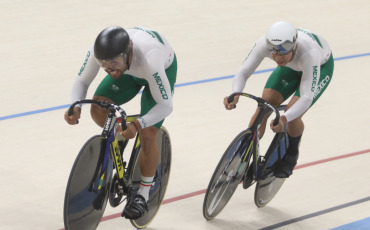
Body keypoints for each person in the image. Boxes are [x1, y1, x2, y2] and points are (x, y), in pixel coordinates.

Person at [64, 26, 177, 219]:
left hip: (159, 70)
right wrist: (75, 106)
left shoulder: (150, 59)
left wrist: (138, 124)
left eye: (113, 63)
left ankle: (142, 194)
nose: (109, 69)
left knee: (148, 133)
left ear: (128, 51)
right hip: (130, 69)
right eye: (103, 64)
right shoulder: (100, 52)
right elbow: (82, 82)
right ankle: (119, 140)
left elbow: (166, 106)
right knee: (98, 108)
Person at [224, 21, 334, 178]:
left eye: (282, 52)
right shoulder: (265, 44)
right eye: (273, 53)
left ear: (294, 46)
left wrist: (284, 118)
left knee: (293, 114)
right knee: (265, 104)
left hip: (319, 68)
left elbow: (307, 97)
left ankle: (291, 155)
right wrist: (235, 93)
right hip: (291, 67)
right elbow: (243, 71)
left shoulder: (310, 53)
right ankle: (244, 154)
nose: (277, 57)